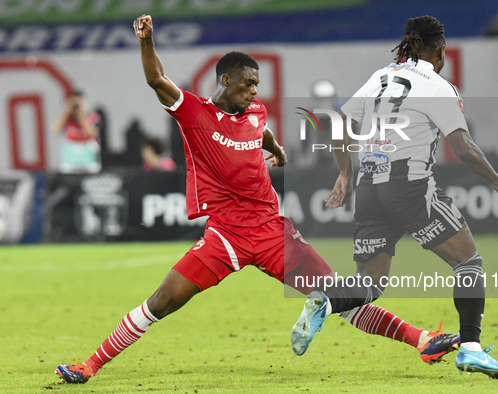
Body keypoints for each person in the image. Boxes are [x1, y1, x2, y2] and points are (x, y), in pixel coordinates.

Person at [54, 15, 459, 384]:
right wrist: (146, 41)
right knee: (162, 300)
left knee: (335, 297)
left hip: (270, 232)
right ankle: (89, 365)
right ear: (226, 80)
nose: (253, 91)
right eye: (247, 83)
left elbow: (260, 132)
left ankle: (423, 340)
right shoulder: (194, 113)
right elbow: (157, 79)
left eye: (256, 85)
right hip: (225, 236)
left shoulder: (257, 113)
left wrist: (277, 149)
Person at [292, 16, 498, 379]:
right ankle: (472, 350)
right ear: (440, 50)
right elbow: (463, 145)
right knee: (468, 262)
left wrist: (346, 174)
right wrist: (497, 179)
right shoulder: (438, 85)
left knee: (370, 284)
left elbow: (339, 124)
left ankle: (327, 300)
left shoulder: (379, 78)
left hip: (369, 186)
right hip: (409, 185)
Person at [53, 90, 101, 173]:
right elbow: (55, 130)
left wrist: (81, 116)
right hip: (70, 158)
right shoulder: (68, 118)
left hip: (88, 157)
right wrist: (66, 112)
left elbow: (93, 133)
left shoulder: (92, 116)